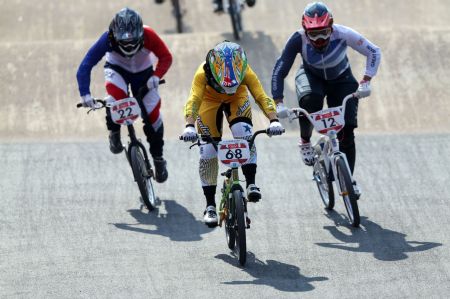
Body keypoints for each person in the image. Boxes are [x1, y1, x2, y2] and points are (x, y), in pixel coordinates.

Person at [271, 2, 381, 196]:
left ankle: (349, 181)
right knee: (310, 101)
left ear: (332, 27)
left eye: (324, 32)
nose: (320, 39)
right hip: (311, 77)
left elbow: (374, 51)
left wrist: (366, 80)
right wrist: (278, 102)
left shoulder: (343, 33)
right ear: (305, 30)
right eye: (313, 34)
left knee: (346, 131)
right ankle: (305, 141)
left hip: (342, 79)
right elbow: (279, 70)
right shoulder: (298, 39)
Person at [181, 41, 284, 226]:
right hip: (208, 100)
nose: (228, 88)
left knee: (244, 134)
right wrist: (189, 125)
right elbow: (194, 99)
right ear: (213, 73)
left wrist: (274, 119)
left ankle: (251, 182)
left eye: (234, 83)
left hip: (238, 98)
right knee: (208, 152)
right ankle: (210, 205)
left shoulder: (246, 71)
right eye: (223, 85)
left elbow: (261, 95)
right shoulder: (202, 73)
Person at [76, 7, 173, 183]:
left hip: (145, 73)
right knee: (114, 100)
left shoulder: (149, 34)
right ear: (114, 35)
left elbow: (166, 57)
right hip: (117, 69)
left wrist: (157, 76)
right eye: (124, 43)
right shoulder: (107, 38)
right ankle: (114, 132)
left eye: (133, 42)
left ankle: (158, 158)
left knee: (153, 116)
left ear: (141, 34)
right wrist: (85, 94)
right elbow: (85, 65)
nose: (129, 47)